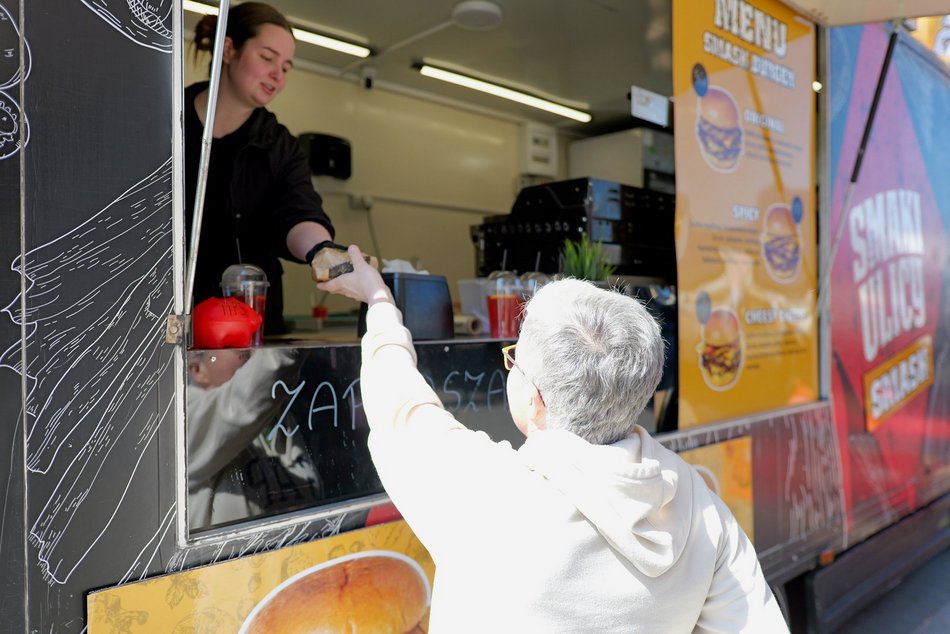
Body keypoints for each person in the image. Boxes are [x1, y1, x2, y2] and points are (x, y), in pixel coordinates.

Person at [319, 244, 789, 633]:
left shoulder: (482, 489)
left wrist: (379, 301)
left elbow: (397, 401)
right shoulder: (700, 504)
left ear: (537, 400)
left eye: (513, 361)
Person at [187, 2, 335, 334]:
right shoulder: (168, 121)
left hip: (253, 328)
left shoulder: (281, 146)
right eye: (267, 58)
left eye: (286, 67)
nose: (277, 76)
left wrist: (323, 252)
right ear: (228, 49)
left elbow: (300, 213)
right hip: (169, 323)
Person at [187, 347, 323, 530]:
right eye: (228, 341)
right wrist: (289, 335)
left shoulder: (279, 417)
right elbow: (244, 399)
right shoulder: (185, 418)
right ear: (197, 370)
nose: (245, 346)